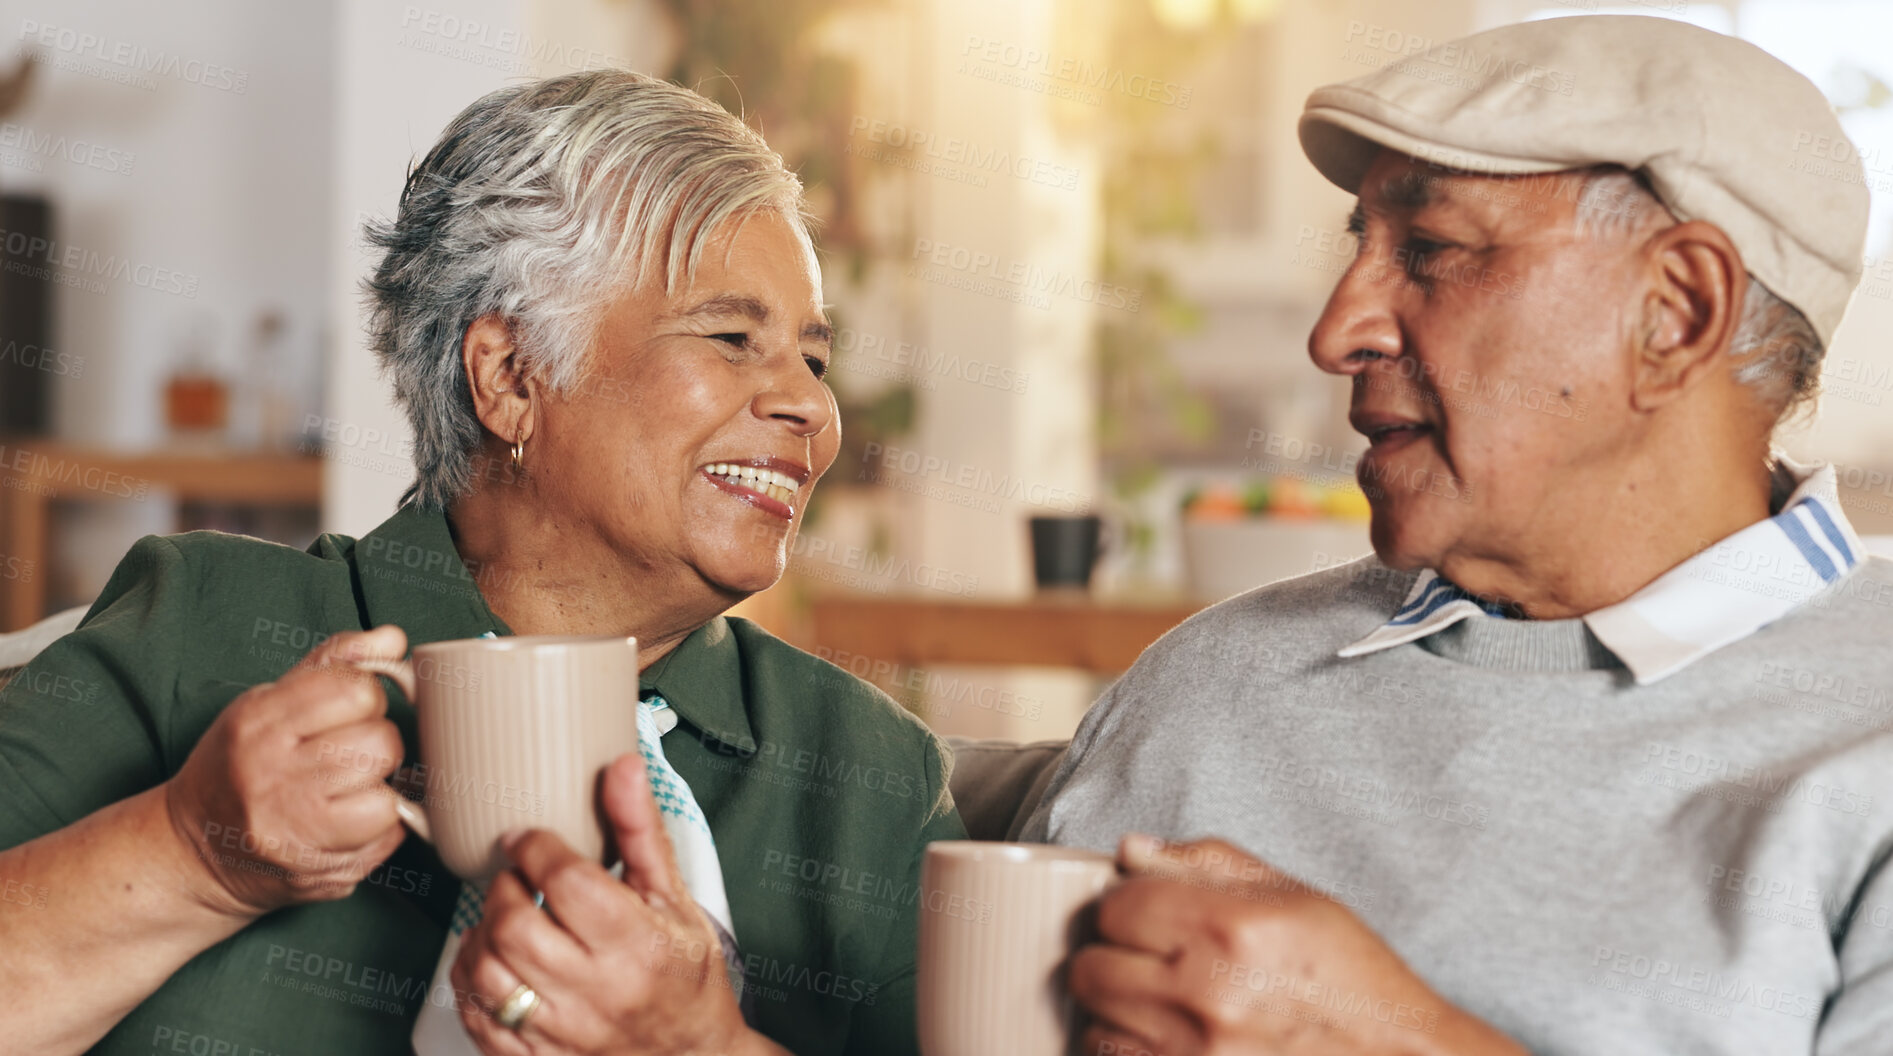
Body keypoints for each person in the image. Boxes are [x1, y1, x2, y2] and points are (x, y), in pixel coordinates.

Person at [0, 69, 963, 1056]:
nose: (812, 407)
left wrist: (706, 1047)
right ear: (510, 378)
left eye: (813, 357)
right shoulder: (199, 623)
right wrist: (187, 854)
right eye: (731, 337)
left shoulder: (867, 778)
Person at [1023, 16, 1893, 1056]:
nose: (1337, 331)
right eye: (1364, 251)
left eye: (1429, 251)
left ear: (1676, 314)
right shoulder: (1203, 689)